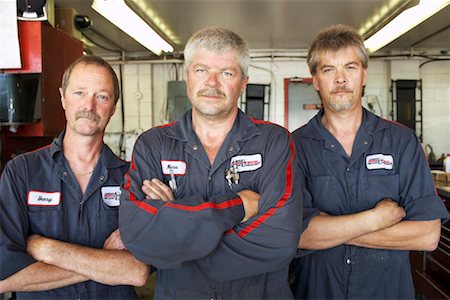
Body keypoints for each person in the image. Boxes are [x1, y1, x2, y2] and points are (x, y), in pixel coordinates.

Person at [119, 27, 302, 299]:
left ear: (243, 82)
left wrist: (175, 221)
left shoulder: (273, 142)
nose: (212, 83)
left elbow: (280, 238)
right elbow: (139, 235)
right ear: (187, 77)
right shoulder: (153, 144)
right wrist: (238, 206)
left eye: (226, 73)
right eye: (202, 70)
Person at [290, 24, 449, 299]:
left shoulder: (402, 142)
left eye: (350, 68)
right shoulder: (295, 147)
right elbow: (298, 235)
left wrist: (331, 230)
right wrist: (377, 219)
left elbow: (426, 235)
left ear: (363, 75)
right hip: (318, 292)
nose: (341, 79)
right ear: (315, 80)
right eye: (329, 70)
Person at [0, 55, 149, 299]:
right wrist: (105, 262)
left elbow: (137, 271)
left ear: (113, 106)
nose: (89, 106)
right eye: (79, 92)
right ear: (63, 97)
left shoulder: (133, 179)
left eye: (102, 96)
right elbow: (5, 276)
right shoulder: (22, 172)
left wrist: (48, 249)